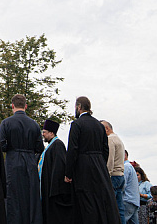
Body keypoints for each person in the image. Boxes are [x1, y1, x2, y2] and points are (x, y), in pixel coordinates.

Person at [64, 96, 120, 224]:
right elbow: (105, 149)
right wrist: (101, 163)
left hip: (83, 167)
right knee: (100, 200)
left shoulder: (76, 124)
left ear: (78, 107)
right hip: (99, 166)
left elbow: (72, 150)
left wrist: (68, 173)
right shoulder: (99, 125)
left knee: (86, 201)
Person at [0, 94, 44, 224]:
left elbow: (1, 145)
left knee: (13, 197)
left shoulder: (6, 123)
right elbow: (39, 147)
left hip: (13, 162)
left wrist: (11, 147)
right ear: (26, 106)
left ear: (12, 106)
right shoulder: (34, 124)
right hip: (29, 162)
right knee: (31, 196)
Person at [38, 118, 74, 224]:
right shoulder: (50, 146)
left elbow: (59, 167)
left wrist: (54, 189)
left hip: (53, 189)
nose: (43, 134)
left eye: (44, 132)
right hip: (47, 186)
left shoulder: (58, 145)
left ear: (52, 133)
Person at [100, 120, 126, 224]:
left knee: (109, 207)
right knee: (120, 209)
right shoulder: (118, 139)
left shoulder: (110, 140)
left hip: (113, 176)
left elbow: (110, 160)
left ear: (106, 128)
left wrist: (106, 176)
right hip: (120, 175)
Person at [123, 151, 139, 224]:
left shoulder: (126, 167)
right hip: (134, 201)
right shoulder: (130, 167)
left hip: (127, 200)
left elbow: (123, 184)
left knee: (121, 220)